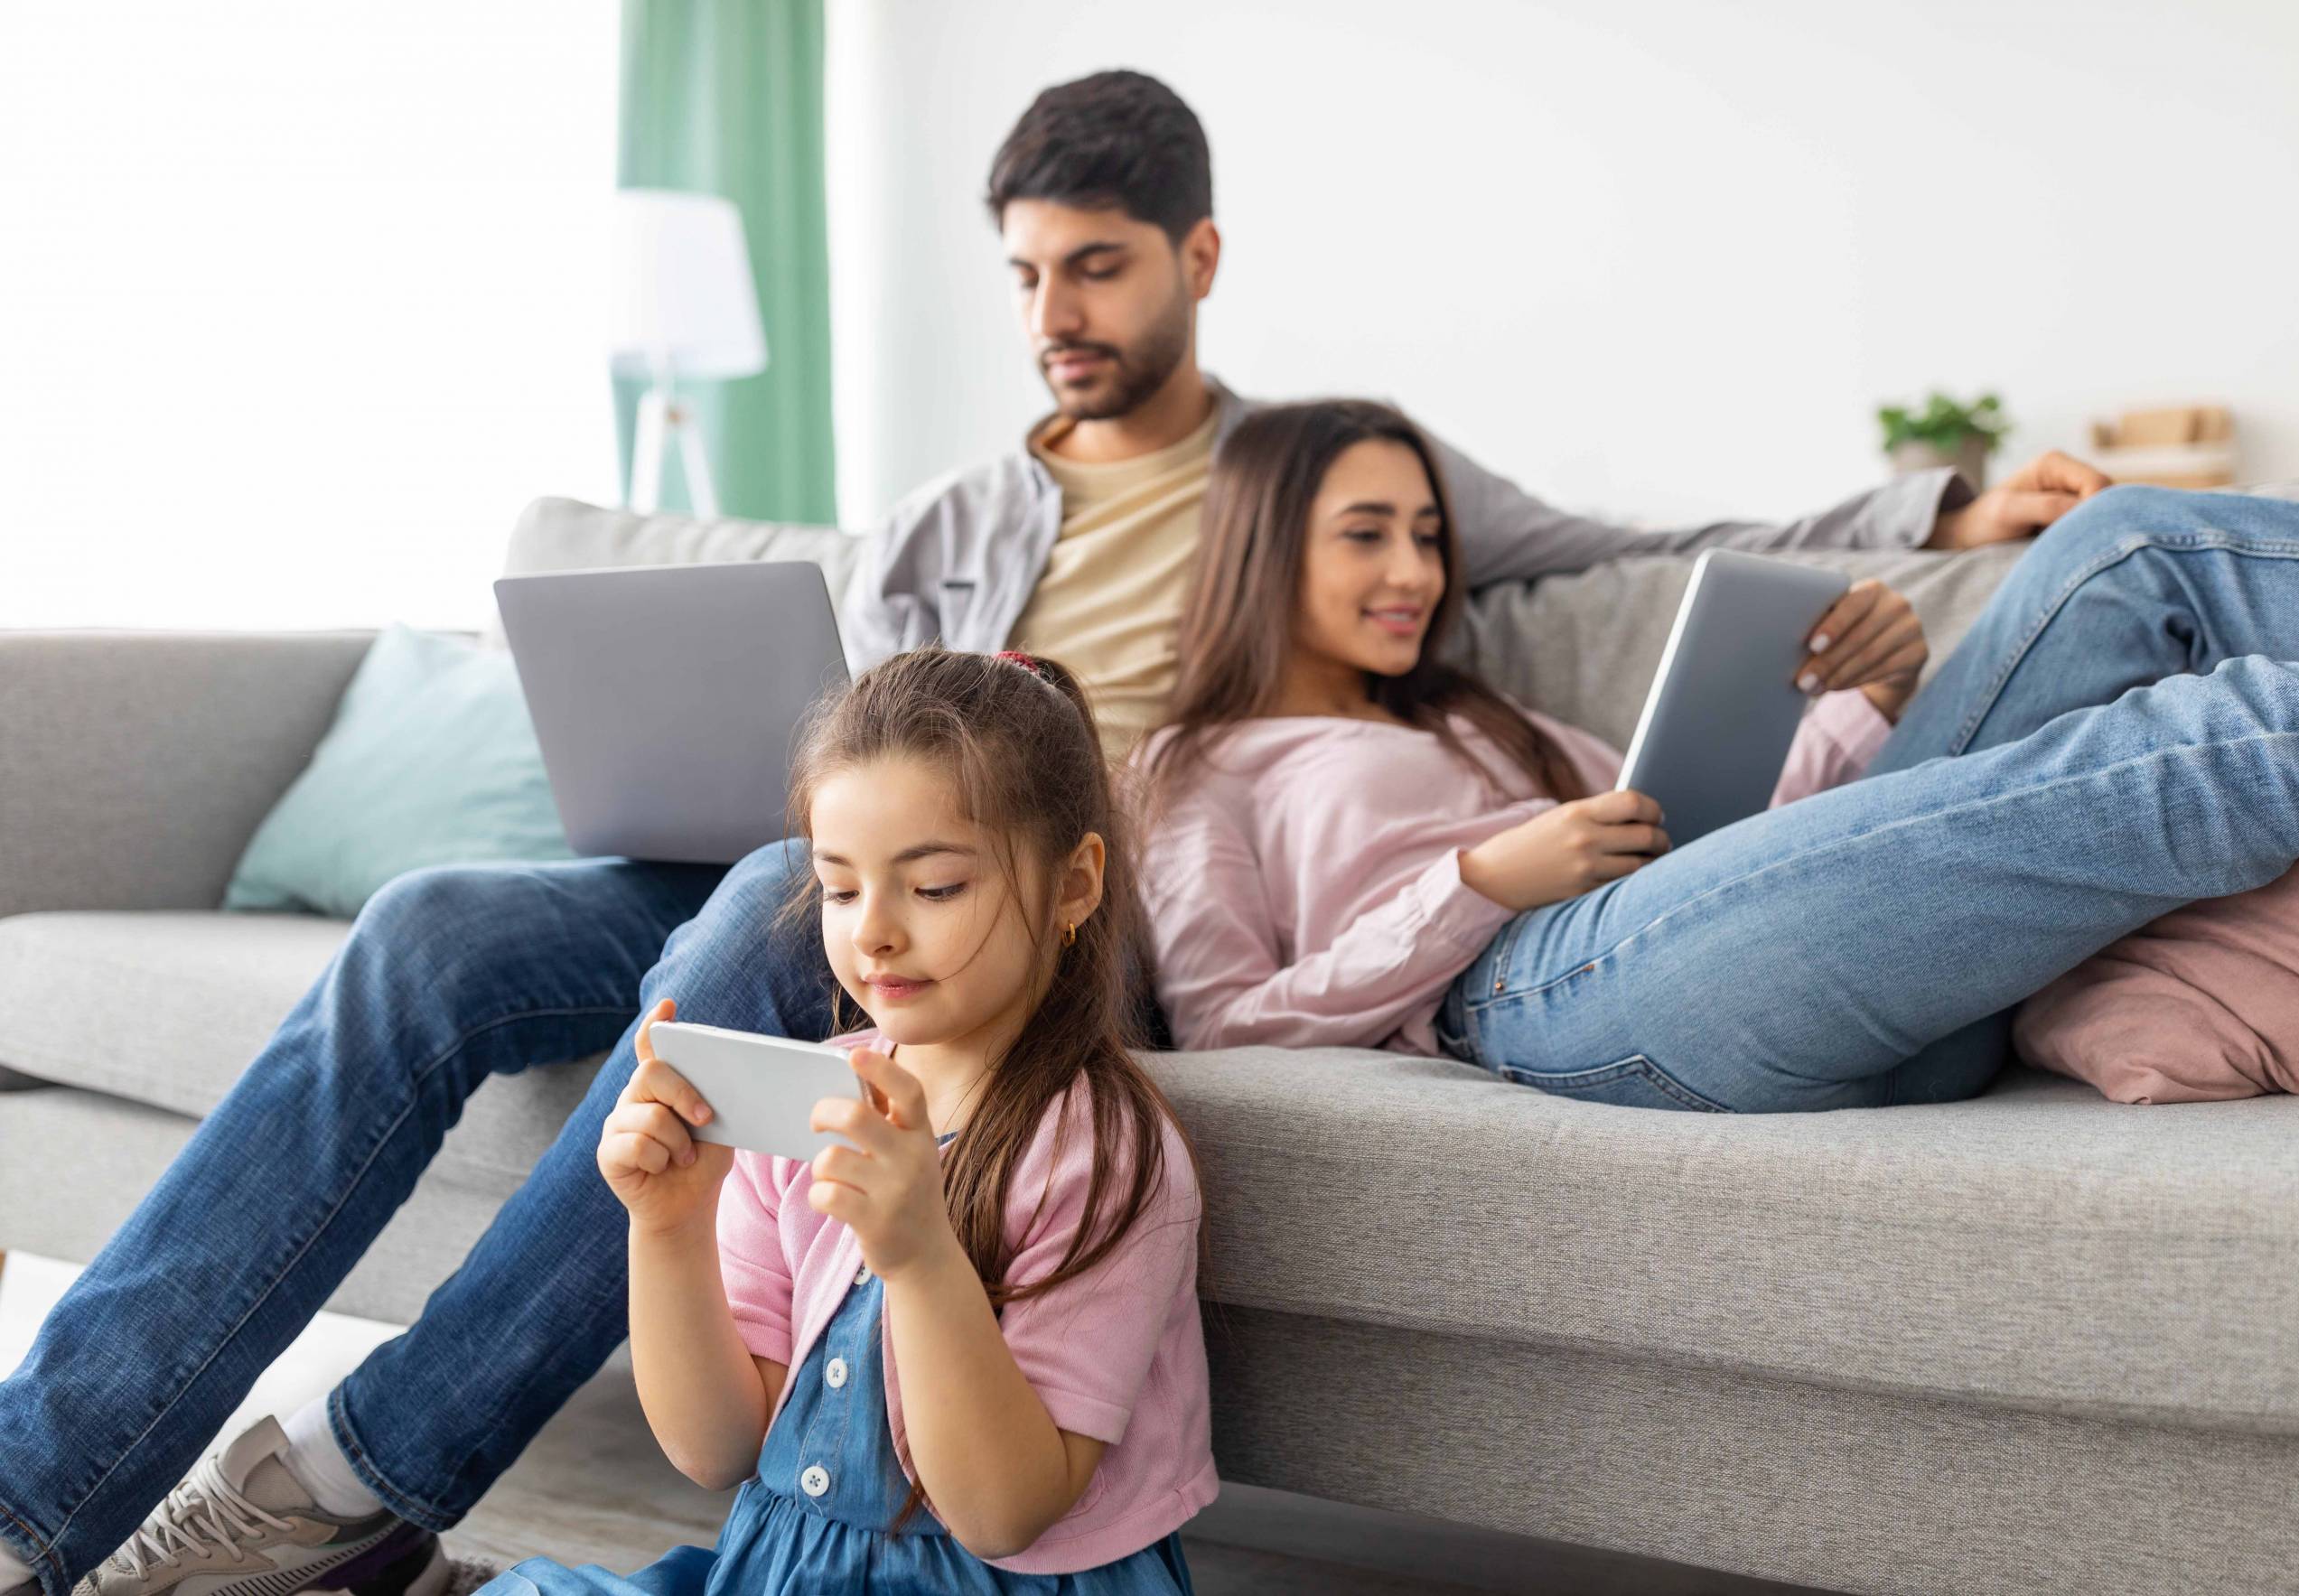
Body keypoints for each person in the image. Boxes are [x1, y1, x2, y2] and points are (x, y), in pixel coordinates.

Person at [0, 70, 2079, 1596]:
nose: (1054, 315)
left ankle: (364, 1475)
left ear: (1191, 258)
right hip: (831, 854)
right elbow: (825, 745)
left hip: (1038, 901)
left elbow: (1648, 546)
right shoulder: (952, 519)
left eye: (1092, 267)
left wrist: (1930, 517)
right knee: (445, 923)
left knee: (770, 908)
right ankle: (36, 1490)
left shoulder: (1316, 470)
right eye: (1020, 277)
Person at [1136, 399, 2299, 1112]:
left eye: (1429, 536)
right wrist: (1477, 885)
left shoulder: (1480, 715)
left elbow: (1734, 854)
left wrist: (1879, 692)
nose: (1415, 572)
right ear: (1262, 548)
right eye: (1367, 535)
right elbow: (1222, 1032)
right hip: (1531, 990)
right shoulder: (1200, 765)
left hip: (1784, 951)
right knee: (2205, 739)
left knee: (2125, 543)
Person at [485, 647, 1208, 1595]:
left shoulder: (1105, 1153)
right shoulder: (813, 1098)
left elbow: (1001, 1514)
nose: (872, 931)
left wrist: (918, 1255)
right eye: (839, 886)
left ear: (1075, 884)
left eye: (936, 886)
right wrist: (665, 1230)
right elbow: (718, 1450)